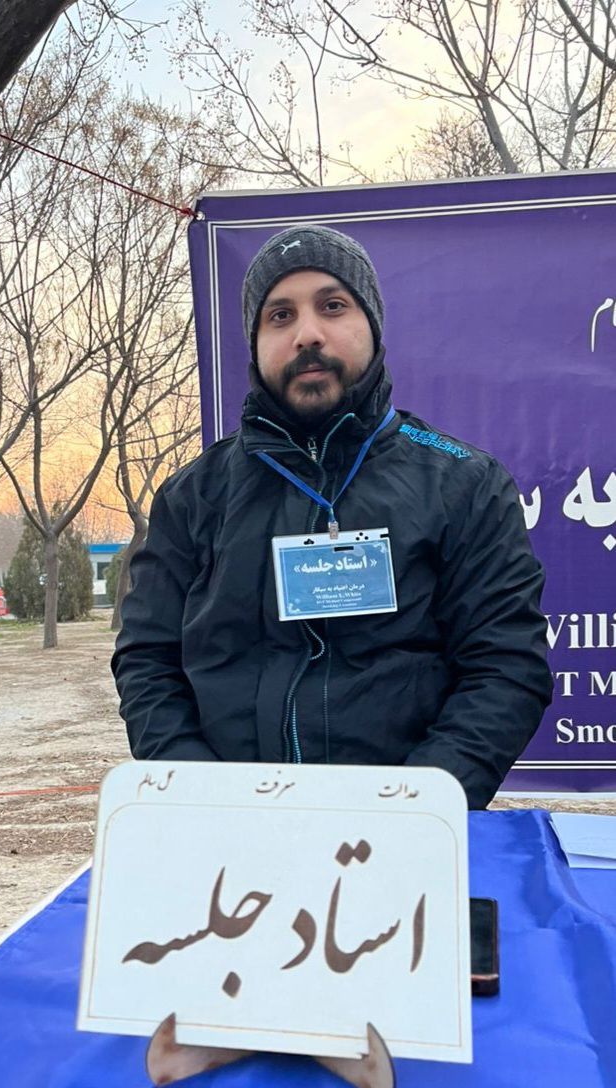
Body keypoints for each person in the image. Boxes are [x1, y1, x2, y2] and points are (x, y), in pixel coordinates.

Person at [112, 224, 553, 809]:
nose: (308, 334)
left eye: (333, 306)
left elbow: (505, 667)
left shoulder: (466, 484)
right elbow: (148, 662)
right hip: (230, 829)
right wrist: (210, 804)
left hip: (407, 830)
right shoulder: (192, 496)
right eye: (280, 316)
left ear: (372, 324)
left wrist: (411, 809)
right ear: (255, 343)